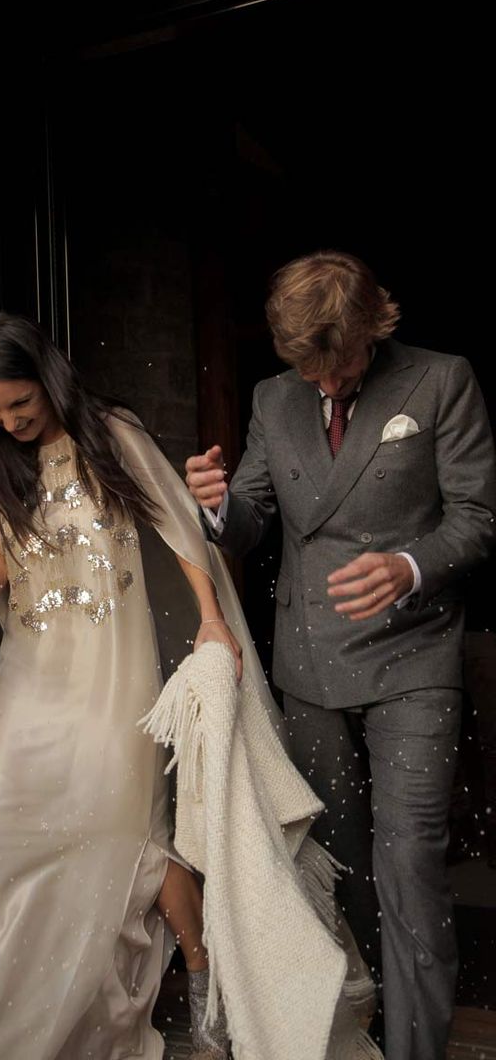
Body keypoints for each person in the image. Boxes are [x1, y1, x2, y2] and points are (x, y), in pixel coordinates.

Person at [0, 312, 242, 1060]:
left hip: (110, 676)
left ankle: (207, 979)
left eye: (21, 404)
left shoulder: (111, 435)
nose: (10, 422)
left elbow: (181, 527)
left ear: (47, 378)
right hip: (32, 685)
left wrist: (212, 620)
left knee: (128, 832)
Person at [185, 250, 496, 1060]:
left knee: (410, 862)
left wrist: (409, 566)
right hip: (310, 662)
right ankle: (367, 1024)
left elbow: (476, 519)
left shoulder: (441, 380)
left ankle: (417, 1050)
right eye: (307, 369)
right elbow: (253, 516)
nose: (326, 385)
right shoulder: (271, 398)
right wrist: (216, 510)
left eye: (342, 363)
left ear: (375, 326)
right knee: (344, 863)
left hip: (415, 656)